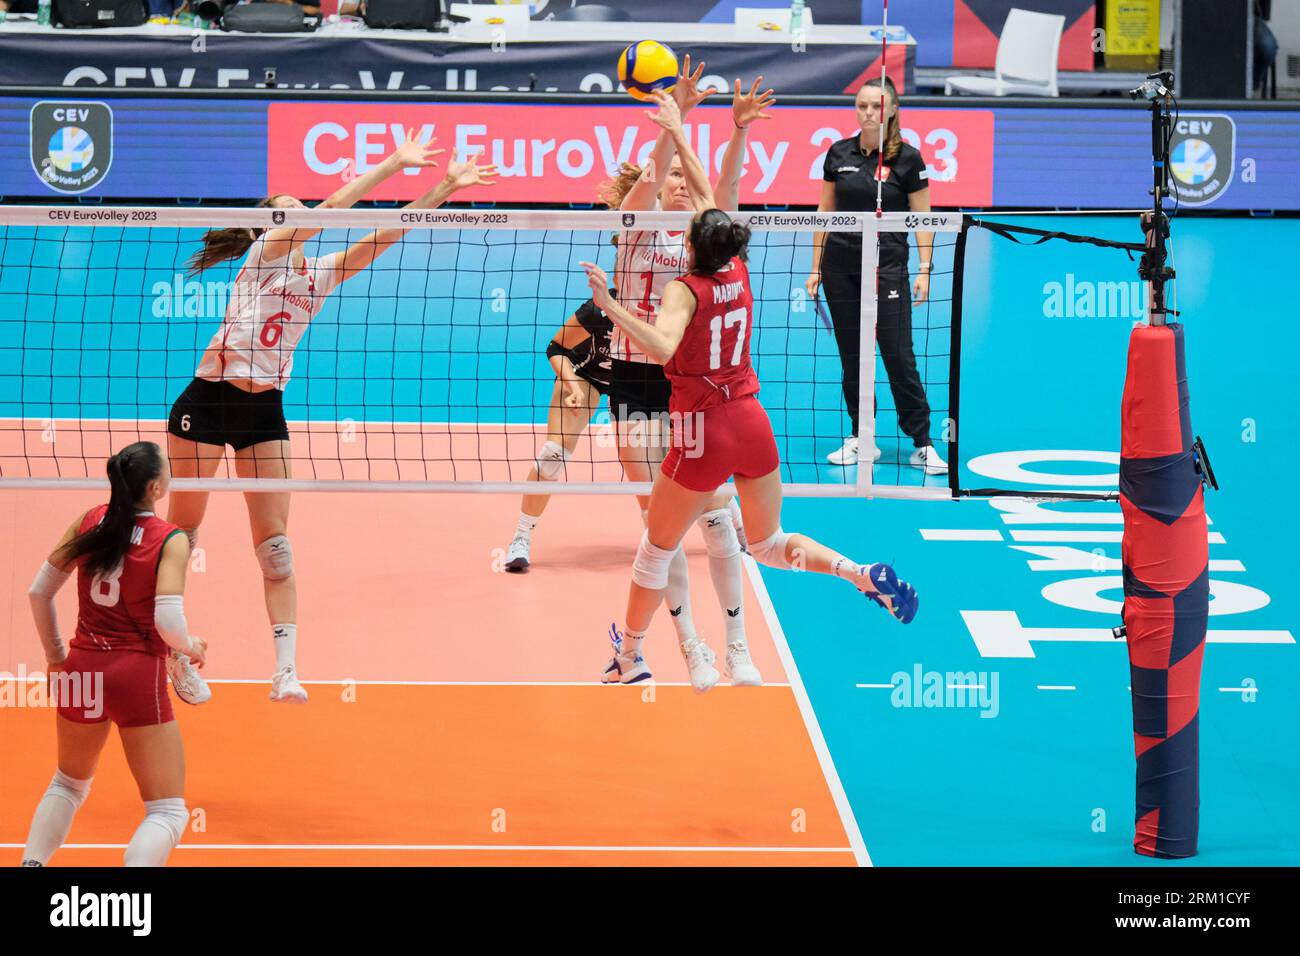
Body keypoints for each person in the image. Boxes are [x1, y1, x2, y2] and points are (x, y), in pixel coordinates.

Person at [167, 134, 495, 703]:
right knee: (181, 538)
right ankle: (174, 656)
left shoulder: (316, 276)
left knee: (276, 549)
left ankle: (286, 670)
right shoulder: (264, 254)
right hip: (207, 402)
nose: (299, 215)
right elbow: (330, 211)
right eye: (288, 211)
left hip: (263, 410)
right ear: (271, 224)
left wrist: (441, 188)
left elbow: (382, 238)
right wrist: (392, 163)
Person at [582, 210, 918, 693]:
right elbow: (718, 197)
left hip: (703, 431)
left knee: (655, 551)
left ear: (694, 247)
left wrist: (610, 305)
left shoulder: (684, 288)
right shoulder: (738, 270)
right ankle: (857, 572)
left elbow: (661, 346)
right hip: (751, 420)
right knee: (766, 543)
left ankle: (629, 654)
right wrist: (714, 131)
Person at [597, 64, 774, 691]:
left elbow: (721, 187)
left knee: (720, 520)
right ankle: (690, 647)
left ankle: (736, 647)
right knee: (660, 533)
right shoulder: (635, 227)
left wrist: (736, 131)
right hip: (637, 383)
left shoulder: (709, 243)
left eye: (682, 177)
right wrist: (676, 119)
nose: (676, 184)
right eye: (669, 174)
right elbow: (648, 176)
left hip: (696, 393)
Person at [22, 441, 208, 867]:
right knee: (167, 811)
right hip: (135, 675)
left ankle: (30, 864)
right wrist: (191, 646)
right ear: (156, 487)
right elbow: (168, 622)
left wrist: (55, 658)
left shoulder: (90, 522)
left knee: (68, 784)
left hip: (81, 668)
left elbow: (38, 592)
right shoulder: (170, 539)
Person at [807, 76, 947, 475]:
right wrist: (815, 265)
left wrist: (924, 267)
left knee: (898, 355)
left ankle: (922, 442)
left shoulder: (908, 159)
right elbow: (825, 212)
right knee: (853, 356)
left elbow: (923, 216)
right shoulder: (838, 153)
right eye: (863, 105)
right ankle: (860, 436)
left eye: (877, 106)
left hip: (887, 267)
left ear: (892, 110)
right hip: (840, 265)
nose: (869, 113)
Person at [502, 289, 614, 572]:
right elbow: (556, 348)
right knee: (553, 455)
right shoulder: (600, 309)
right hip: (586, 377)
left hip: (636, 384)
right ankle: (521, 537)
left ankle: (726, 518)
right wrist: (573, 385)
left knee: (666, 458)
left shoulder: (666, 305)